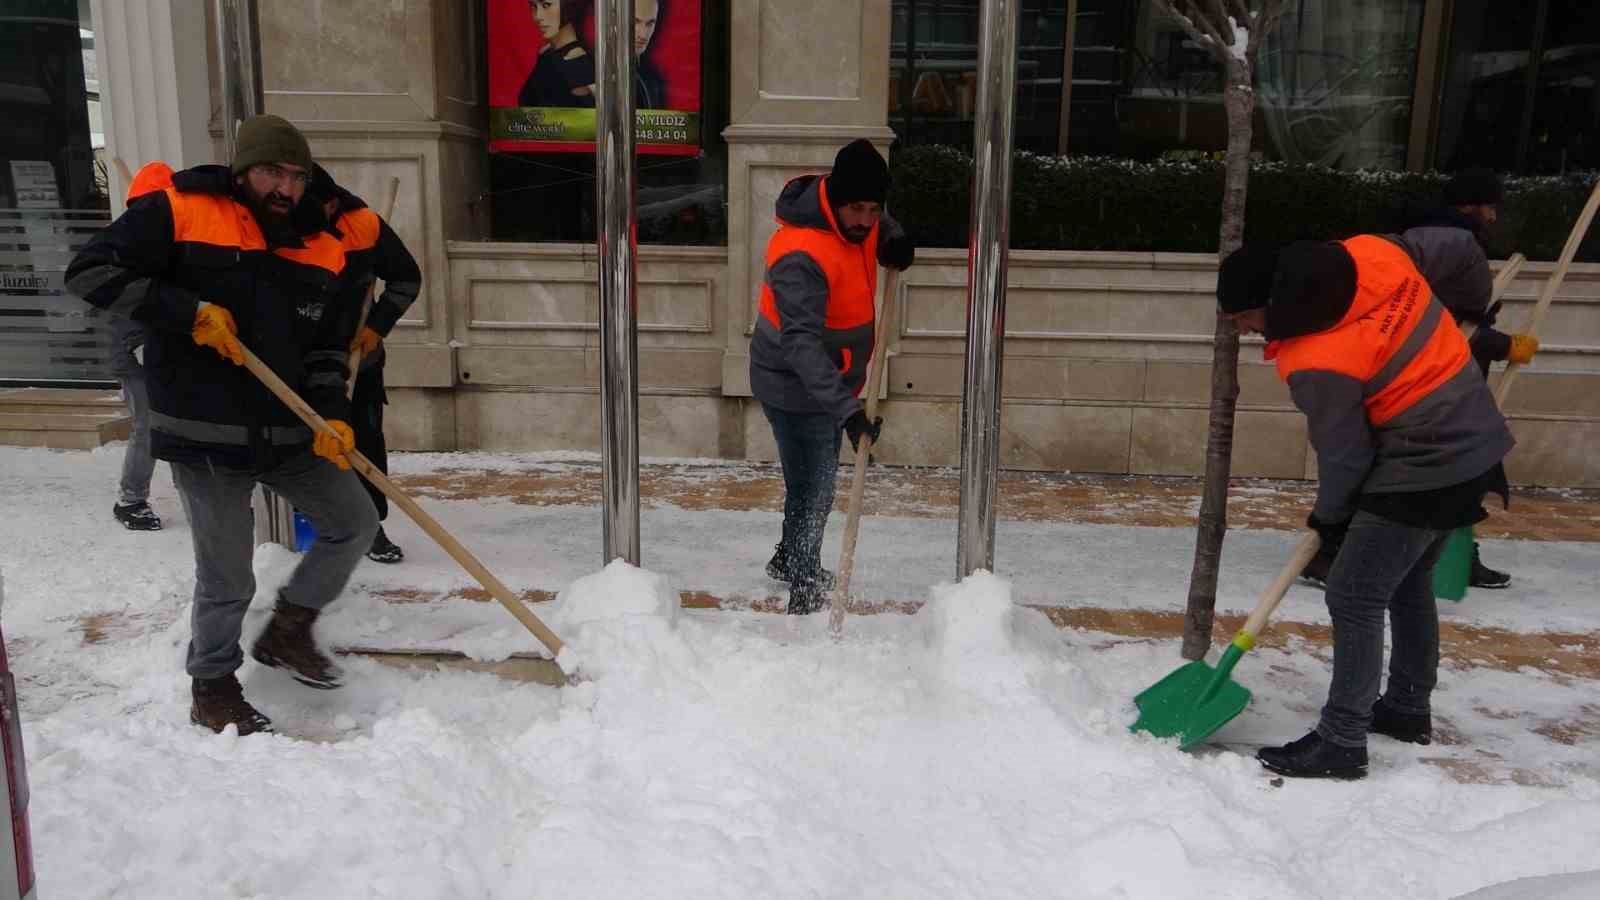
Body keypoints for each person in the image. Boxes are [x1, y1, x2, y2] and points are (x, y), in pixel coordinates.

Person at [65, 115, 379, 736]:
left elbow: (324, 349)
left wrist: (334, 415)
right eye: (271, 172)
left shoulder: (320, 242)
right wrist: (185, 311)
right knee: (228, 574)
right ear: (243, 170)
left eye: (296, 176)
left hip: (287, 430)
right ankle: (212, 683)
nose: (285, 188)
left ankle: (288, 631)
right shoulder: (181, 210)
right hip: (206, 433)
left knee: (354, 521)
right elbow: (90, 273)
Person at [1218, 236, 1515, 779]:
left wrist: (1329, 520)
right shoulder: (1374, 254)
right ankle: (1404, 708)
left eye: (1242, 316)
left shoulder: (1315, 359)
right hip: (1474, 445)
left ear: (1274, 300)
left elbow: (1345, 455)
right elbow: (1456, 245)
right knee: (1407, 582)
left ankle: (1342, 741)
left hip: (1424, 463)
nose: (1241, 330)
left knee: (1353, 593)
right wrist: (1474, 313)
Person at [1303, 169, 1532, 590]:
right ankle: (1331, 553)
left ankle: (1433, 557)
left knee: (1433, 473)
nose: (1495, 218)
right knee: (1394, 469)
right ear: (1474, 206)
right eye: (1491, 207)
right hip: (1418, 386)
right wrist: (1499, 345)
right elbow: (1434, 323)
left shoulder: (1436, 243)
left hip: (1432, 381)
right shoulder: (1448, 249)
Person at [748, 139, 914, 614]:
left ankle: (787, 559)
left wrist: (893, 238)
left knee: (807, 481)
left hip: (830, 379)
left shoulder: (855, 223)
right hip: (794, 382)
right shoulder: (800, 254)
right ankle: (803, 585)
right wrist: (848, 412)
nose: (866, 220)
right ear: (834, 201)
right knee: (815, 487)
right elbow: (799, 345)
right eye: (857, 209)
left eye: (874, 209)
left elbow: (877, 227)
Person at [308, 166, 423, 565]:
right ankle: (313, 521)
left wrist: (377, 326)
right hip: (303, 363)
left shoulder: (365, 225)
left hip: (361, 359)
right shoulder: (280, 226)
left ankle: (371, 525)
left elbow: (407, 279)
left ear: (332, 202)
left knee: (364, 440)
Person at [518, 0, 597, 108]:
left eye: (546, 5)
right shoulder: (547, 54)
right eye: (533, 6)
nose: (537, 16)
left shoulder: (577, 63)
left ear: (569, 6)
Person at [633, 0, 665, 108]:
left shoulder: (653, 80)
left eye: (650, 23)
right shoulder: (591, 70)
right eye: (635, 22)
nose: (643, 34)